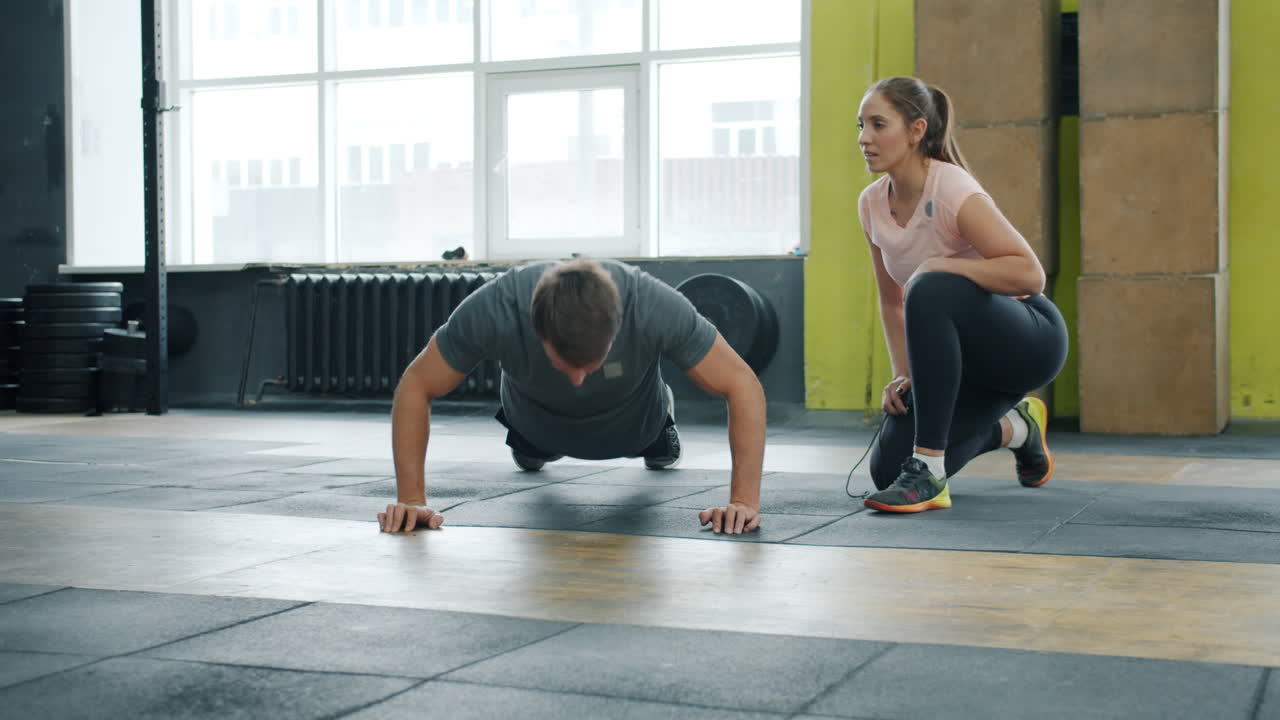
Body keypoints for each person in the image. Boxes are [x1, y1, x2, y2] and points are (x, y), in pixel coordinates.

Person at [378, 257, 766, 534]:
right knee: (531, 453)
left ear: (616, 331)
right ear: (537, 329)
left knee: (652, 442)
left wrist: (743, 502)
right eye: (566, 364)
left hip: (636, 426)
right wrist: (412, 500)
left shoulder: (652, 306)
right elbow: (417, 384)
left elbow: (742, 384)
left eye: (590, 364)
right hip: (533, 424)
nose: (579, 379)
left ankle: (662, 426)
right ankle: (531, 442)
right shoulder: (497, 309)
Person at [855, 76, 1069, 513]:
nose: (864, 138)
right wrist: (904, 376)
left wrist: (940, 266)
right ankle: (1016, 428)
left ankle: (930, 473)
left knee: (932, 285)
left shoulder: (951, 188)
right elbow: (891, 300)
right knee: (888, 469)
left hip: (1026, 340)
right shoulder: (871, 203)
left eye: (878, 125)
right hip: (962, 364)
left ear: (916, 131)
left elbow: (1030, 275)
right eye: (861, 125)